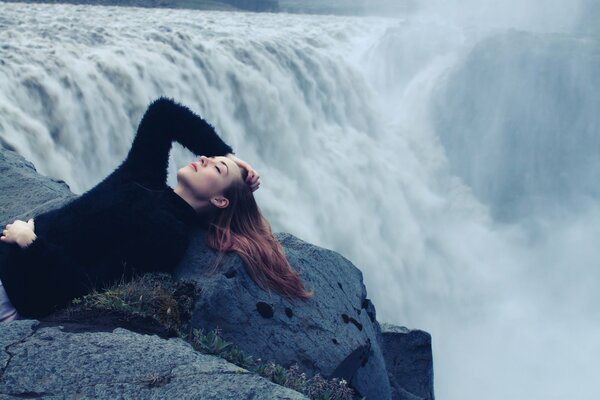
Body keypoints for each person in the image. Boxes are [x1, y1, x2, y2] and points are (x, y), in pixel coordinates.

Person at [0, 97, 313, 322]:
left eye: (216, 169)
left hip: (18, 287)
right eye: (208, 156)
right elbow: (163, 114)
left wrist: (31, 243)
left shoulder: (168, 234)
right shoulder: (143, 174)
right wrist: (229, 155)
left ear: (220, 201)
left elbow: (86, 284)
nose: (203, 158)